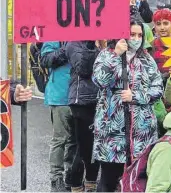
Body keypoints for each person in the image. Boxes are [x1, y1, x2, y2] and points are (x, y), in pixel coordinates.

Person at [92, 19, 163, 192]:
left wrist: (136, 96)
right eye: (132, 34)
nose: (136, 39)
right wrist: (115, 56)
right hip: (112, 132)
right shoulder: (106, 54)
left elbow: (158, 88)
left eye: (140, 35)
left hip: (141, 132)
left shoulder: (147, 59)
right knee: (108, 180)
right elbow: (100, 80)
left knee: (138, 179)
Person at [41, 41, 82, 192]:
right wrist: (68, 48)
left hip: (79, 96)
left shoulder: (84, 33)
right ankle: (56, 179)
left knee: (74, 141)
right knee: (60, 139)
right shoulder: (56, 35)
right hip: (59, 96)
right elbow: (45, 60)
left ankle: (69, 176)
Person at [65, 40, 103, 192]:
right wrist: (90, 47)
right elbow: (84, 69)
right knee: (83, 148)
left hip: (99, 101)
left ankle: (91, 184)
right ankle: (76, 185)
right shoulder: (74, 44)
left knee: (96, 147)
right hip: (82, 102)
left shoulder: (103, 43)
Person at [152, 8, 171, 84]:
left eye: (165, 23)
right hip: (157, 85)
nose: (162, 28)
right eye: (158, 24)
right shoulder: (151, 46)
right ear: (155, 27)